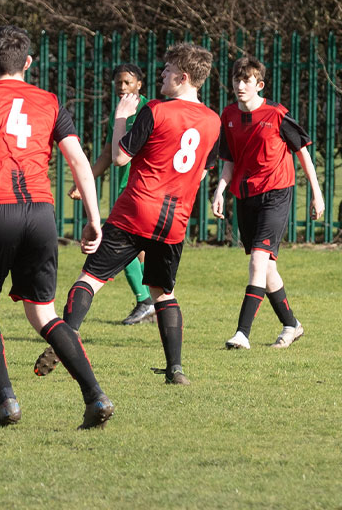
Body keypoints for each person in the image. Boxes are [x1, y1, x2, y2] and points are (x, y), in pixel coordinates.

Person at [0, 25, 111, 429]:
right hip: (40, 213)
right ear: (29, 63)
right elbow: (79, 161)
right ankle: (95, 395)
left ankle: (7, 401)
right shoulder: (50, 102)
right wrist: (93, 218)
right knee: (43, 313)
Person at [34, 43, 221, 386]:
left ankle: (66, 339)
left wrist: (121, 116)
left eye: (167, 70)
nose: (161, 74)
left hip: (136, 209)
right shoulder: (214, 121)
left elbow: (120, 157)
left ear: (183, 77)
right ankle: (175, 370)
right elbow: (205, 170)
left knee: (91, 278)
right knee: (163, 292)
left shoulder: (156, 109)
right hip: (175, 220)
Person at [212, 56, 325, 350]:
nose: (240, 85)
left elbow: (302, 152)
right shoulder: (228, 116)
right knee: (267, 268)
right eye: (237, 79)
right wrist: (220, 191)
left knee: (258, 262)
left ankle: (242, 333)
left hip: (276, 193)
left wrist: (317, 193)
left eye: (246, 80)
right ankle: (292, 325)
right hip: (246, 196)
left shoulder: (276, 114)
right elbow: (228, 161)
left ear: (259, 84)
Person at [68, 64, 155, 325]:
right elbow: (108, 154)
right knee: (139, 251)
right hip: (125, 189)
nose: (122, 87)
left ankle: (146, 300)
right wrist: (83, 181)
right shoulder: (119, 114)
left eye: (128, 82)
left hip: (143, 188)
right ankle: (154, 301)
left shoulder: (149, 110)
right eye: (118, 83)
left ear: (139, 84)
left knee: (117, 244)